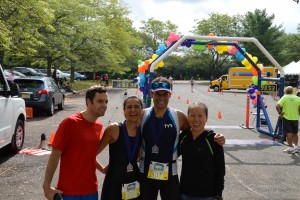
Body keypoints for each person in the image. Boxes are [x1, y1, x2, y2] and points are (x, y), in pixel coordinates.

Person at [139, 76, 225, 200]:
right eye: (158, 94)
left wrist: (214, 136)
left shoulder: (178, 116)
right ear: (152, 94)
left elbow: (195, 129)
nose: (162, 98)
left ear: (170, 94)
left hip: (170, 174)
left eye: (165, 94)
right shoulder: (142, 115)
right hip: (145, 172)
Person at [43, 86, 108, 200]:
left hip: (92, 190)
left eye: (106, 101)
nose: (104, 105)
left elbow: (87, 153)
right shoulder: (70, 123)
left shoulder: (99, 126)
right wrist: (46, 186)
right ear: (88, 101)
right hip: (69, 192)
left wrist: (101, 168)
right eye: (100, 101)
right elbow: (55, 155)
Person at [97, 96, 143, 200]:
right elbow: (92, 154)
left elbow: (139, 155)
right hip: (113, 181)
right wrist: (101, 169)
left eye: (137, 106)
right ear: (124, 110)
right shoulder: (114, 129)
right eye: (129, 107)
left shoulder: (143, 131)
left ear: (141, 110)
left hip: (133, 180)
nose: (133, 110)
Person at [179, 102, 225, 200]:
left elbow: (220, 170)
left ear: (206, 118)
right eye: (192, 115)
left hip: (207, 195)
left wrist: (218, 194)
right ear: (188, 117)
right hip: (185, 193)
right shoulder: (183, 137)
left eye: (200, 116)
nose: (196, 119)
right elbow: (170, 155)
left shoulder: (214, 140)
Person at [276, 86, 300, 154]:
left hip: (287, 118)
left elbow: (277, 106)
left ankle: (290, 148)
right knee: (295, 133)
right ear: (292, 91)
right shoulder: (297, 98)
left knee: (288, 133)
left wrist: (280, 113)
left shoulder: (284, 97)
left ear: (285, 91)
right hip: (295, 118)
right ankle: (296, 147)